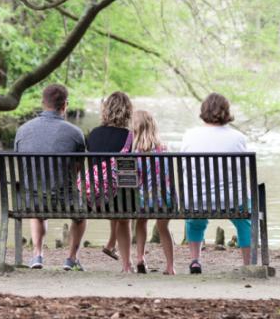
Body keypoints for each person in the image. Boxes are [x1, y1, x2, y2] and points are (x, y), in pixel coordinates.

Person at [13, 84, 87, 271]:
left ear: (42, 103)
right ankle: (71, 259)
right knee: (80, 216)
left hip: (30, 201)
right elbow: (78, 169)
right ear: (65, 105)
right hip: (66, 200)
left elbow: (22, 167)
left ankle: (37, 254)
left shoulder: (22, 131)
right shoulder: (75, 133)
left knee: (38, 198)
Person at [180, 93, 251, 273]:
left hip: (196, 201)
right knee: (244, 221)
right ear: (226, 112)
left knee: (194, 220)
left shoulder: (189, 136)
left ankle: (195, 260)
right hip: (232, 202)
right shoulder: (238, 138)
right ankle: (248, 263)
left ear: (203, 111)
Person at [85, 91, 134, 272]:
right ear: (127, 111)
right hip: (118, 201)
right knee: (123, 211)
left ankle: (111, 243)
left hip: (94, 199)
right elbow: (129, 174)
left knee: (112, 193)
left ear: (106, 110)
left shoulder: (93, 135)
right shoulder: (129, 137)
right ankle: (127, 265)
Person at [131, 109, 175, 274]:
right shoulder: (164, 149)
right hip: (164, 200)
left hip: (143, 201)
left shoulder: (135, 153)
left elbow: (135, 180)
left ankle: (140, 258)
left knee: (141, 221)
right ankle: (170, 266)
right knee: (163, 227)